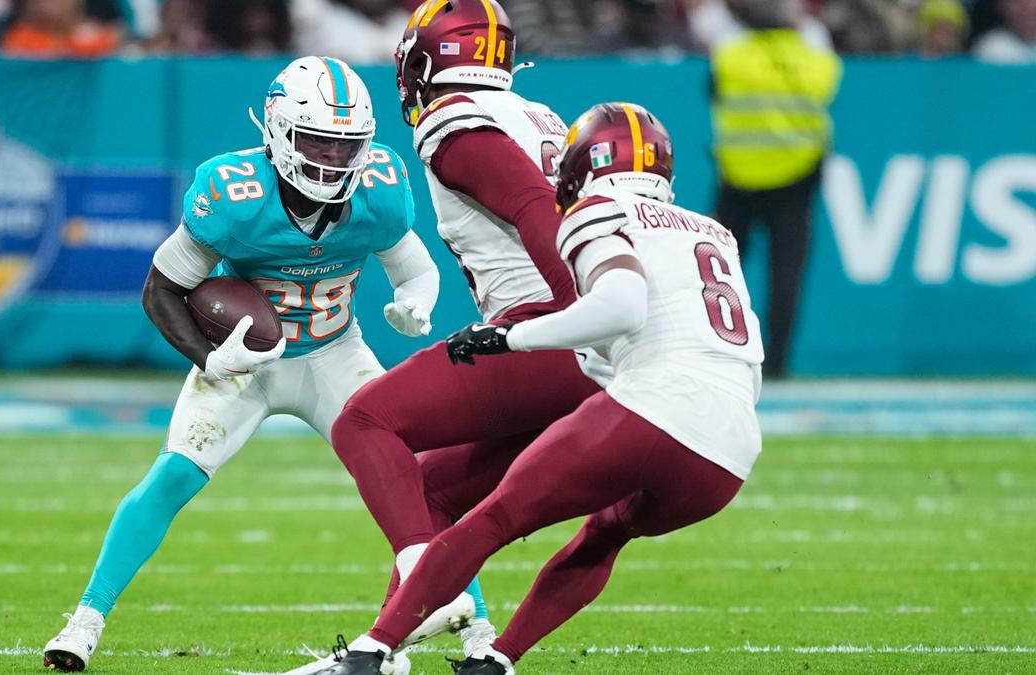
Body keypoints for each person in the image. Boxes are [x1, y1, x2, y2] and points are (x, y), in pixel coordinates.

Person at [312, 102, 764, 675]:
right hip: (731, 451)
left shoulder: (599, 208)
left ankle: (370, 652)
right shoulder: (714, 232)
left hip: (654, 409)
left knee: (492, 520)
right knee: (605, 534)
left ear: (581, 165)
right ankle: (497, 659)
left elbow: (622, 306)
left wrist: (511, 337)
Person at [41, 56, 446, 673]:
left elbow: (414, 267)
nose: (335, 159)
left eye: (347, 145)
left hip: (337, 353)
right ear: (280, 132)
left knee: (412, 482)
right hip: (247, 365)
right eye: (319, 141)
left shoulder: (379, 190)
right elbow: (161, 289)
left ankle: (477, 632)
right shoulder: (234, 194)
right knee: (173, 477)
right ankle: (86, 619)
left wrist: (416, 301)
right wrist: (211, 357)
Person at [288, 0, 606, 670]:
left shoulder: (454, 117)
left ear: (428, 59)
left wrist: (573, 313)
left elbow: (531, 208)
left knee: (365, 421)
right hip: (586, 338)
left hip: (552, 328)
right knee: (433, 488)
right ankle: (380, 650)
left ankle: (421, 582)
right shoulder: (539, 117)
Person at [708, 0, 841, 377]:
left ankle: (717, 351)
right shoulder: (814, 56)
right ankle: (778, 361)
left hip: (738, 176)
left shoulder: (731, 52)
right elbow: (828, 89)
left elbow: (713, 91)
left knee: (719, 270)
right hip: (795, 178)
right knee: (786, 273)